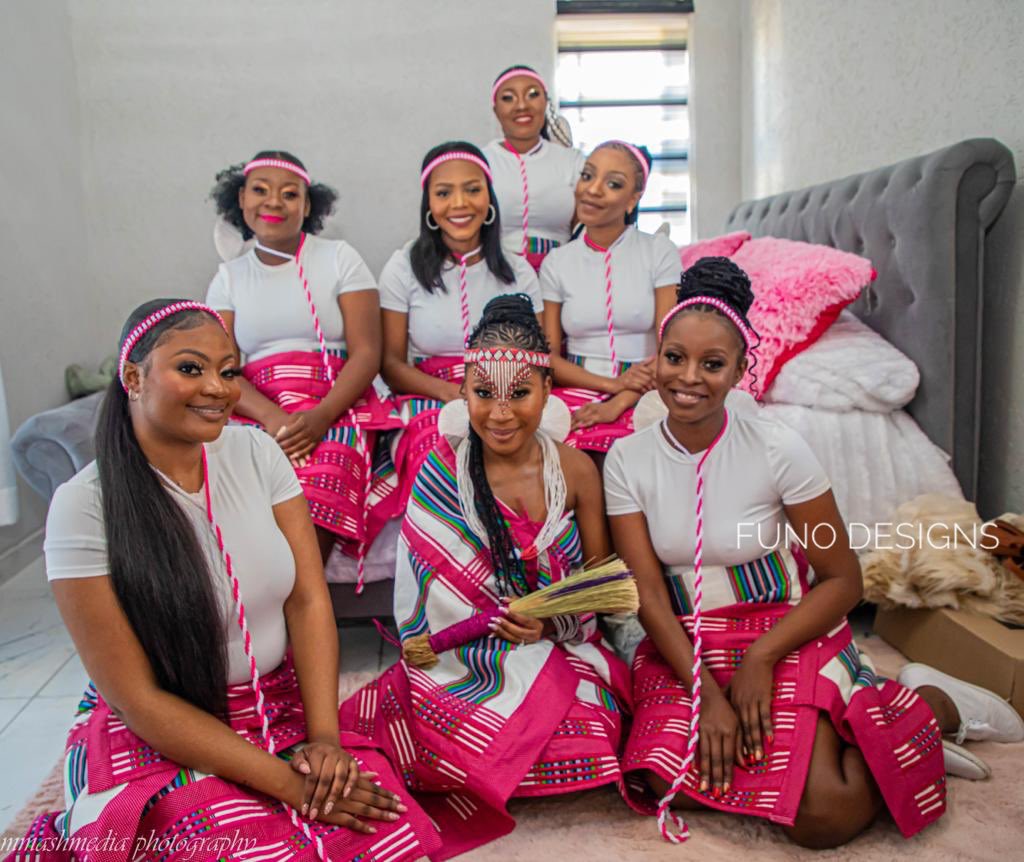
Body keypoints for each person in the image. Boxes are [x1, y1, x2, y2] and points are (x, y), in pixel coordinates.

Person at [604, 258, 1023, 848]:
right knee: (655, 776)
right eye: (675, 357)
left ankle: (932, 706)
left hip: (781, 630)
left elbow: (841, 577)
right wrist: (705, 689)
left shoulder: (780, 448)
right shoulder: (627, 459)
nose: (689, 378)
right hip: (686, 640)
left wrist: (760, 661)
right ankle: (876, 739)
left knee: (825, 814)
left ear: (741, 370)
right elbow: (648, 592)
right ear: (657, 357)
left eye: (713, 363)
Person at [4, 301, 439, 862]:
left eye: (229, 371)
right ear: (133, 377)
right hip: (163, 729)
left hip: (277, 705)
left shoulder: (259, 452)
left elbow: (308, 601)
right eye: (190, 369)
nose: (217, 388)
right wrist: (290, 786)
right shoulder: (84, 507)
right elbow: (138, 700)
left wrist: (324, 741)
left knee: (383, 825)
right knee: (229, 845)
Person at [342, 295, 631, 859]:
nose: (501, 414)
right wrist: (485, 627)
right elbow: (426, 594)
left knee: (593, 731)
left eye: (519, 394)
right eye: (483, 394)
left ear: (548, 393)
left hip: (556, 643)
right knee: (409, 732)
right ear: (463, 393)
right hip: (463, 653)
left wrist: (548, 626)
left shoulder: (574, 470)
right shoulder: (438, 469)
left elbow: (599, 579)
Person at [207, 150, 400, 574]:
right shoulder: (228, 279)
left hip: (335, 404)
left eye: (289, 194)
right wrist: (272, 417)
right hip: (258, 406)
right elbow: (221, 369)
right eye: (260, 190)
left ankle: (298, 613)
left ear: (308, 206)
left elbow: (367, 352)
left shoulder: (339, 258)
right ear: (240, 199)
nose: (274, 202)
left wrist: (322, 417)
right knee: (239, 477)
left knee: (328, 466)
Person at [379, 141, 543, 510]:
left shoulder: (519, 271)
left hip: (509, 389)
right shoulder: (402, 267)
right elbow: (391, 365)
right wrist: (452, 393)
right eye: (443, 192)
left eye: (472, 189)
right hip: (431, 393)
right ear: (429, 206)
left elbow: (541, 358)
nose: (459, 204)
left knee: (543, 453)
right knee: (436, 452)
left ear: (489, 198)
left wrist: (496, 394)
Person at [540, 140, 679, 455]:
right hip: (578, 387)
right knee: (557, 451)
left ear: (633, 199)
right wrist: (612, 386)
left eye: (613, 183)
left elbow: (671, 348)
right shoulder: (556, 263)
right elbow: (549, 358)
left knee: (638, 448)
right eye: (588, 176)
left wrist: (619, 401)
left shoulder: (659, 252)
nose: (593, 190)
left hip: (649, 388)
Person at [482, 64, 585, 271]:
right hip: (495, 274)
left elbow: (588, 226)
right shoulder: (480, 162)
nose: (521, 106)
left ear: (546, 102)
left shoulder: (572, 161)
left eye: (532, 94)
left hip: (561, 275)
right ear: (495, 109)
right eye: (508, 98)